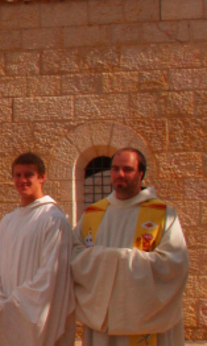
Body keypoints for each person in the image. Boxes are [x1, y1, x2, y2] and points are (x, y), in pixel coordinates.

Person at [71, 148, 189, 346]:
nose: (120, 174)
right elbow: (73, 255)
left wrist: (114, 259)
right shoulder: (93, 214)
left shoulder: (162, 213)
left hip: (144, 319)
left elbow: (175, 264)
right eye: (115, 169)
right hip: (105, 320)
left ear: (140, 174)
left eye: (128, 169)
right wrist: (114, 259)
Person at [0, 153, 74, 346]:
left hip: (34, 316)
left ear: (42, 177)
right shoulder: (8, 221)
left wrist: (14, 307)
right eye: (17, 175)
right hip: (3, 311)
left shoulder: (54, 219)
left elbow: (51, 276)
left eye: (28, 175)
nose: (22, 180)